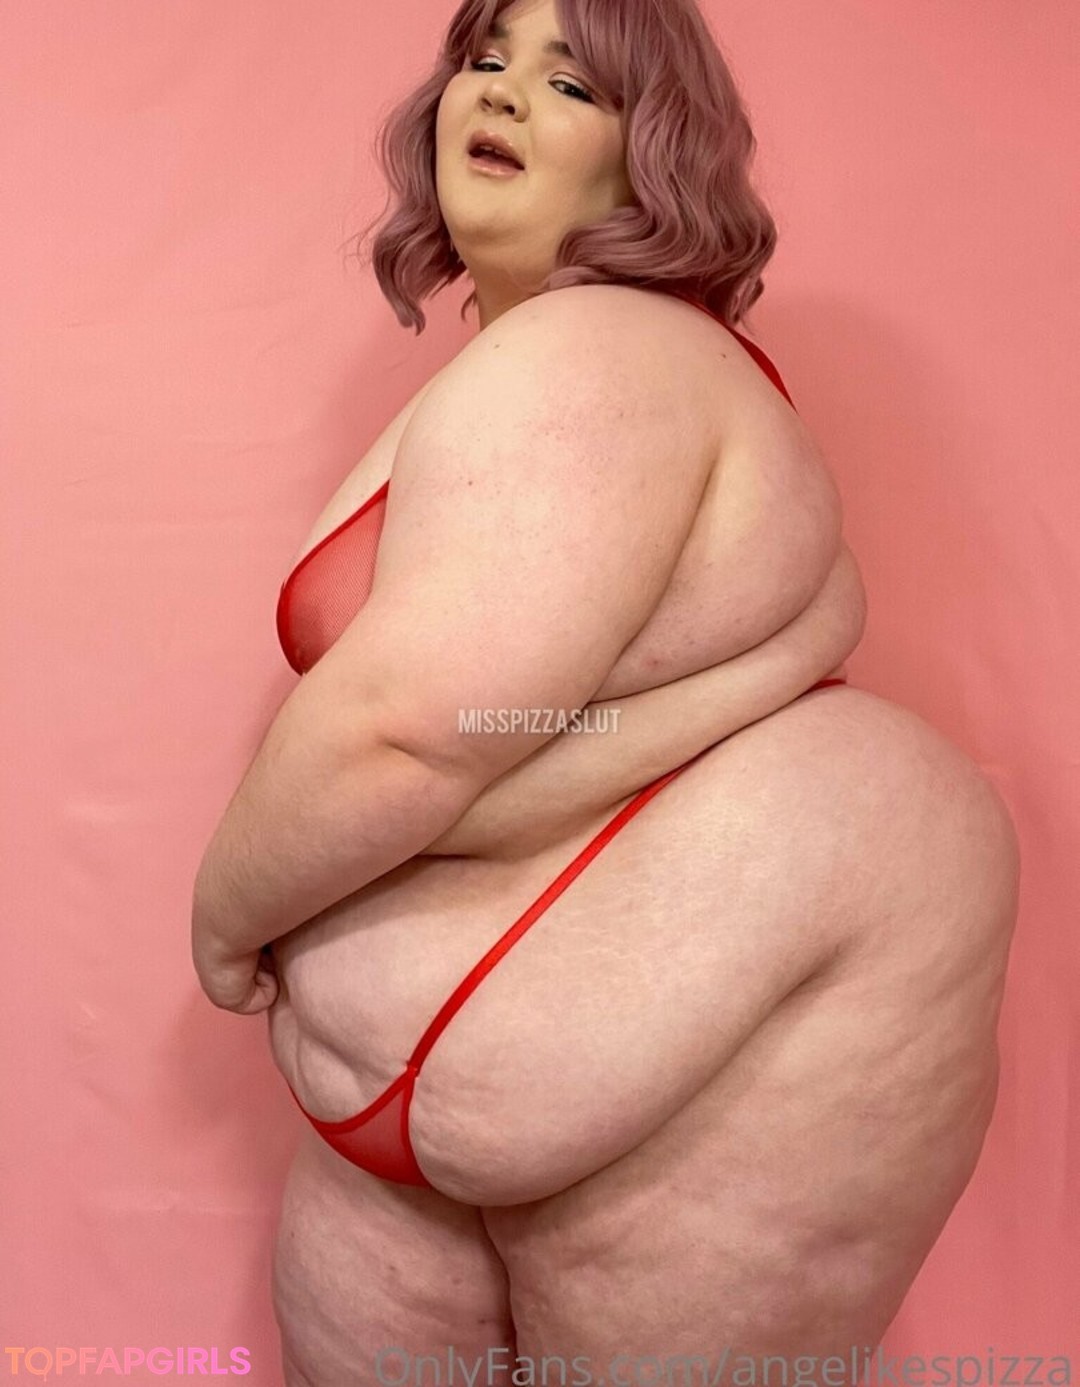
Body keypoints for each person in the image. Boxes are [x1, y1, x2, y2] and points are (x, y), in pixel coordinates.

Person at [191, 0, 1020, 1373]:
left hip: (643, 1073)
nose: (502, 94)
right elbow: (529, 738)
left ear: (655, 157)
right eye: (484, 62)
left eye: (572, 85)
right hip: (428, 1087)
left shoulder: (601, 354)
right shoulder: (536, 367)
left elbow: (413, 736)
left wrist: (227, 918)